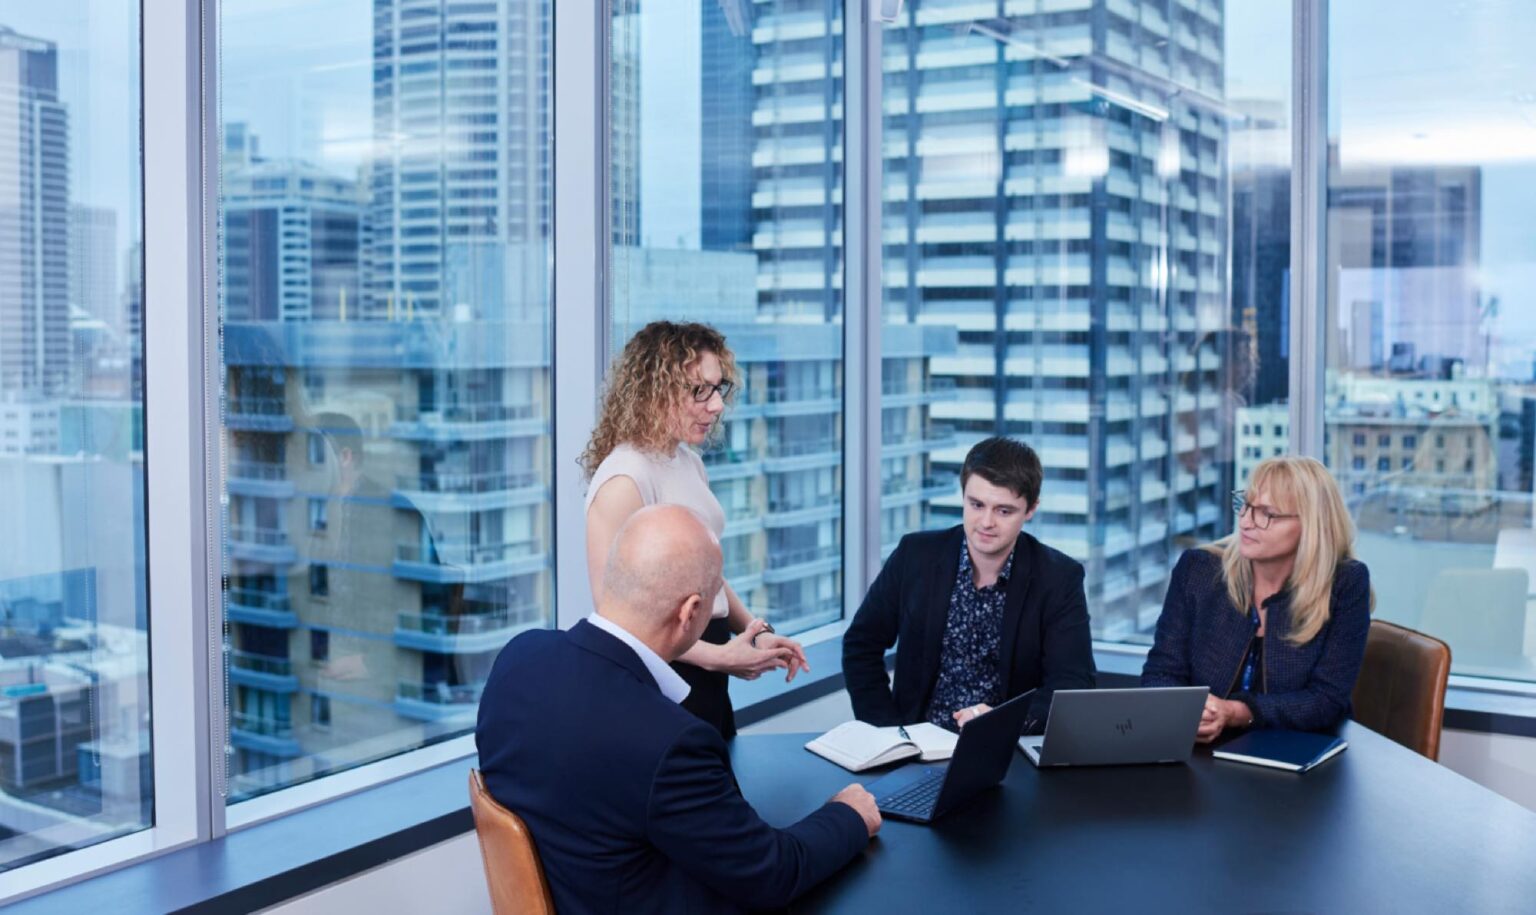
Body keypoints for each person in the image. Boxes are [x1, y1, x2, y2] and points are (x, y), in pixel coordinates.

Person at [475, 505, 879, 914]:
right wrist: (848, 815)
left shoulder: (518, 659)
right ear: (689, 612)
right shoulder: (668, 743)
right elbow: (772, 873)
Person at [581, 320, 809, 737]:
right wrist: (721, 657)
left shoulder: (687, 461)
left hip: (707, 664)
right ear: (654, 392)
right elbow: (615, 621)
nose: (717, 405)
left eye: (717, 389)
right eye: (698, 390)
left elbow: (710, 575)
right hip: (668, 677)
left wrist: (756, 633)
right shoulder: (624, 479)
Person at [842, 436, 1096, 735]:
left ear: (1030, 509)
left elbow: (1072, 685)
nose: (986, 522)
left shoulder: (1059, 578)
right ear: (963, 496)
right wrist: (888, 733)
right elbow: (861, 646)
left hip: (1005, 753)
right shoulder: (915, 556)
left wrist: (1003, 720)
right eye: (976, 504)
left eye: (1004, 511)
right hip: (913, 750)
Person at [1142, 455, 1373, 742]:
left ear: (1311, 525)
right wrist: (1188, 712)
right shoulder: (1199, 570)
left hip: (1302, 756)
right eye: (1246, 505)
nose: (1246, 521)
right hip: (1202, 752)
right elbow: (1161, 673)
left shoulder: (1345, 583)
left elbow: (1326, 700)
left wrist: (1237, 712)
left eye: (1268, 514)